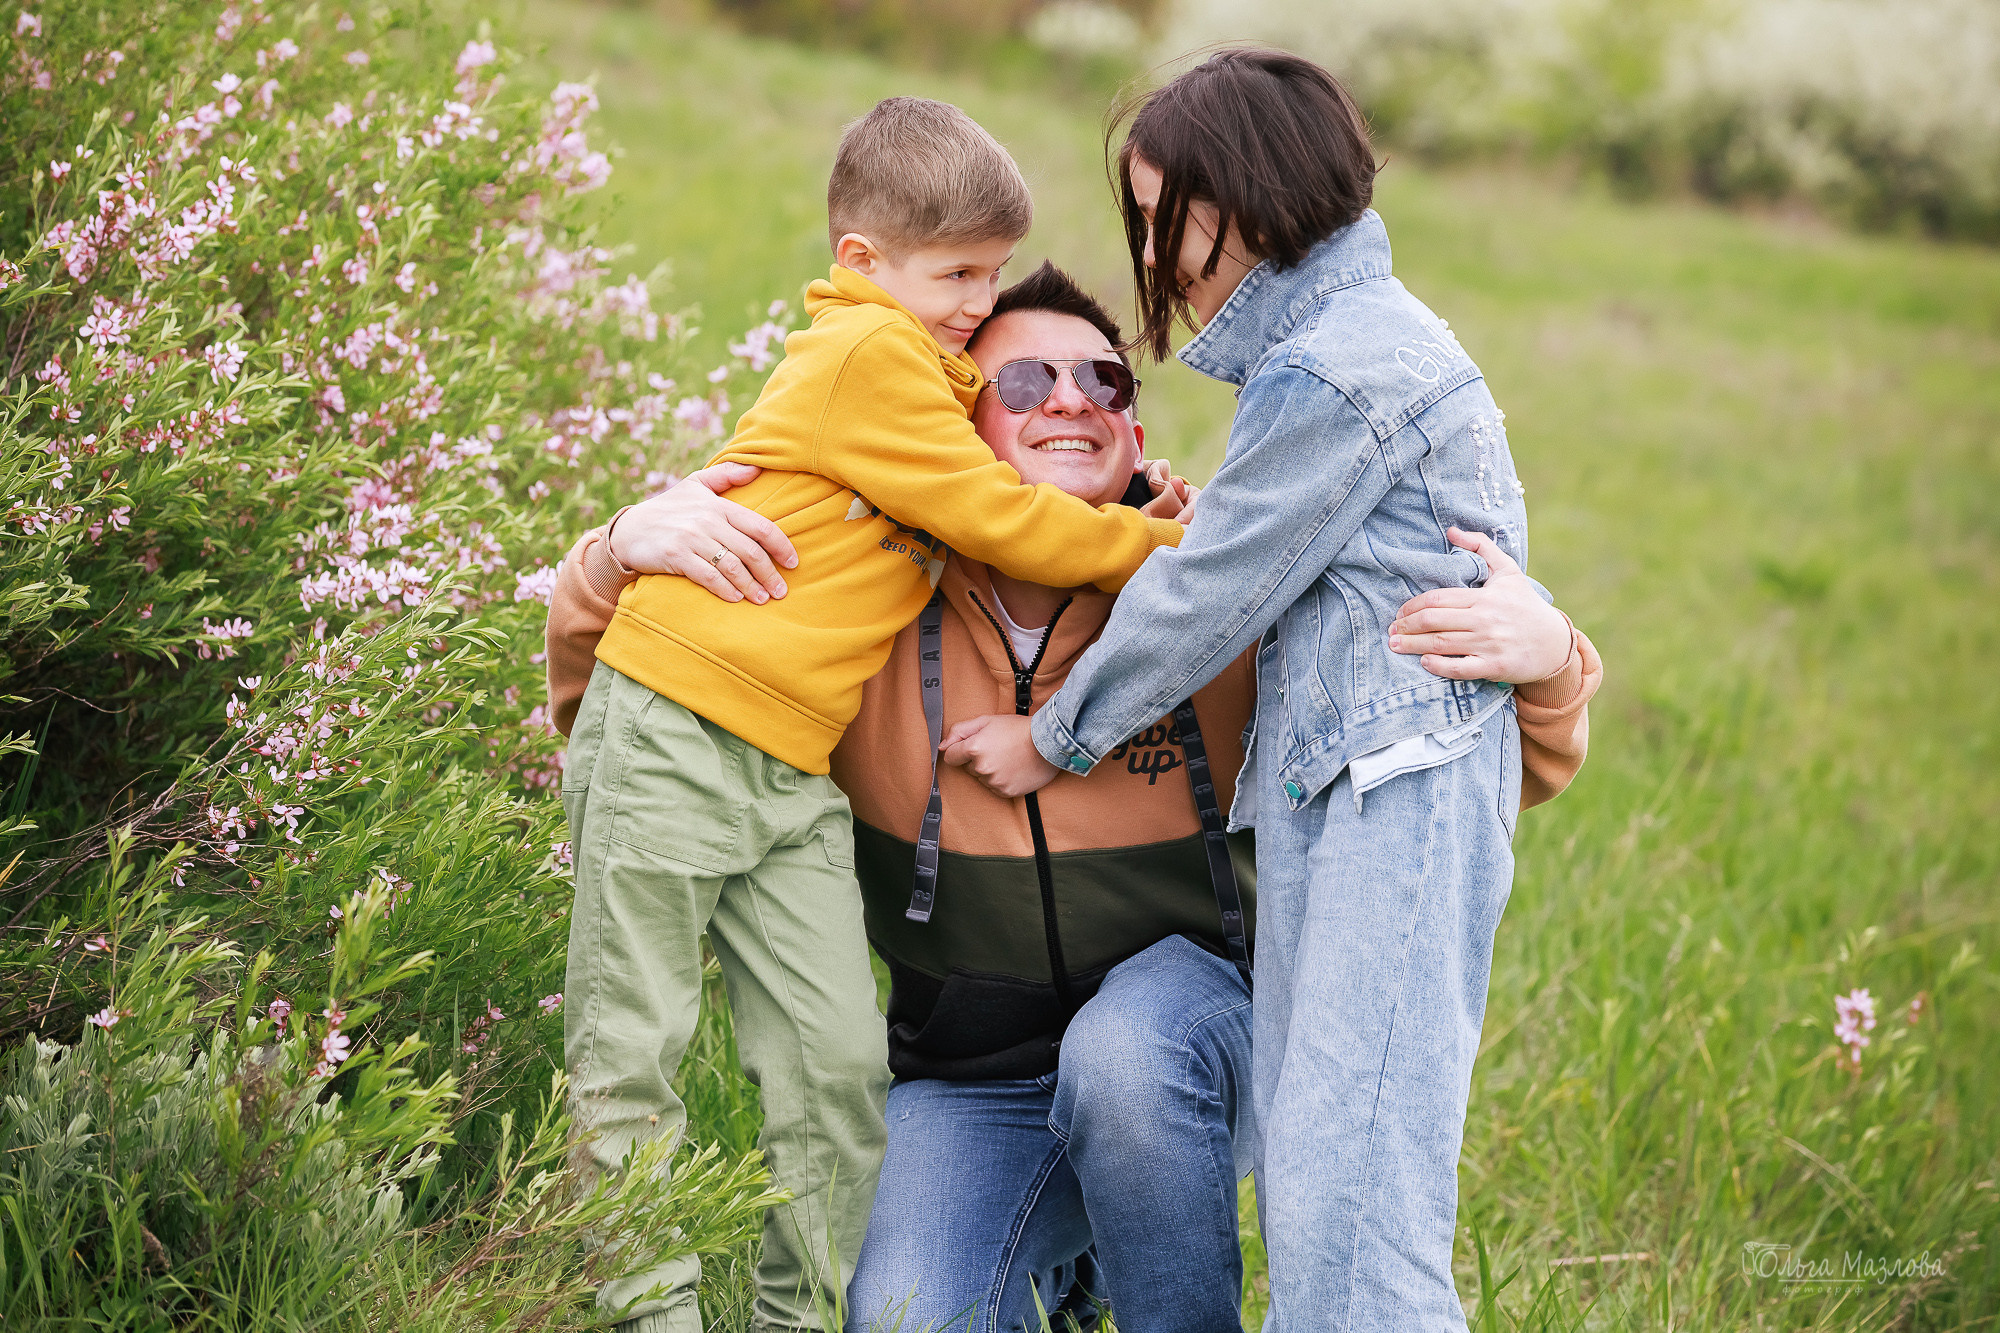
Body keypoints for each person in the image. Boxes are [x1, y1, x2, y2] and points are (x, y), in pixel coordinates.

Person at [550, 264, 1602, 1331]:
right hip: (968, 1079)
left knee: (1123, 1060)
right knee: (908, 1315)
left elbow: (1455, 780)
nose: (1069, 398)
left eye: (1104, 378)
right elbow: (635, 700)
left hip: (1192, 1043)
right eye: (1020, 381)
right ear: (949, 430)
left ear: (1136, 437)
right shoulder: (862, 616)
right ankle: (1076, 1261)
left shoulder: (1225, 603)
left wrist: (1551, 659)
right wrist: (612, 553)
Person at [940, 52, 1585, 1330]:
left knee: (1353, 1226)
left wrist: (1054, 735)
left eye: (1158, 210)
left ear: (1245, 194)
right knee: (1322, 1191)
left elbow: (1207, 592)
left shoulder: (1338, 370)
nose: (1155, 251)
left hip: (1388, 798)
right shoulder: (1343, 357)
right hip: (1348, 795)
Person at [557, 99, 1187, 1333]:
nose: (976, 297)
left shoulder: (930, 380)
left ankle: (796, 1318)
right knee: (631, 1054)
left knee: (837, 1063)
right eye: (957, 272)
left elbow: (1035, 474)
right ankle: (649, 1313)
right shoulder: (869, 359)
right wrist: (1167, 545)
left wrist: (1158, 500)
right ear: (860, 262)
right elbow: (1000, 517)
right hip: (680, 722)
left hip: (789, 766)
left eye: (992, 269)